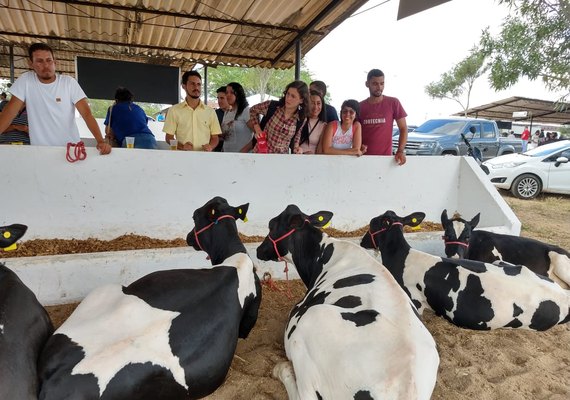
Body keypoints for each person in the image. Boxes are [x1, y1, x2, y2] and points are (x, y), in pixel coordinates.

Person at [0, 43, 111, 154]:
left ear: (55, 62)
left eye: (49, 60)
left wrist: (100, 141)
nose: (46, 65)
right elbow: (9, 112)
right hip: (40, 152)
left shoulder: (68, 82)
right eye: (39, 61)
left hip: (71, 150)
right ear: (31, 64)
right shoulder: (25, 81)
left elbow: (86, 114)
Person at [163, 70, 221, 151]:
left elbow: (215, 138)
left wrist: (210, 146)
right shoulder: (174, 110)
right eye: (192, 84)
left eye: (199, 84)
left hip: (204, 158)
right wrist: (182, 147)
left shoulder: (210, 112)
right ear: (184, 86)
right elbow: (169, 138)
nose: (196, 87)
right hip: (182, 158)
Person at [360, 69, 407, 165]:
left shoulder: (393, 102)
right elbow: (352, 132)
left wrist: (400, 151)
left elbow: (403, 128)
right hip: (363, 159)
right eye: (375, 84)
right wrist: (357, 146)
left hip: (386, 161)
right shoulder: (359, 106)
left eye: (382, 83)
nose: (379, 87)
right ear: (367, 84)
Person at [248, 80, 309, 154]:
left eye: (293, 96)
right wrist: (258, 130)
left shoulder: (301, 118)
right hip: (261, 152)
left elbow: (297, 134)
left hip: (281, 158)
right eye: (288, 94)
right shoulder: (272, 106)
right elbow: (252, 110)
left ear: (301, 100)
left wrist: (297, 148)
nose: (288, 98)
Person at [221, 82, 253, 153]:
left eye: (232, 92)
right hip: (226, 155)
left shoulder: (246, 111)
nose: (228, 95)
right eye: (226, 93)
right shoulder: (227, 112)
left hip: (242, 157)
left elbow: (258, 135)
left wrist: (244, 150)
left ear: (239, 94)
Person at [298, 90, 327, 154]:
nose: (315, 107)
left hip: (313, 160)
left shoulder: (324, 125)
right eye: (312, 103)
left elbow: (320, 148)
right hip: (297, 157)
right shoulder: (299, 119)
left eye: (318, 103)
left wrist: (314, 158)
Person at [214, 86, 229, 152]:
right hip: (217, 150)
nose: (219, 101)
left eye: (222, 98)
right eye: (218, 98)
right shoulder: (214, 114)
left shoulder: (237, 114)